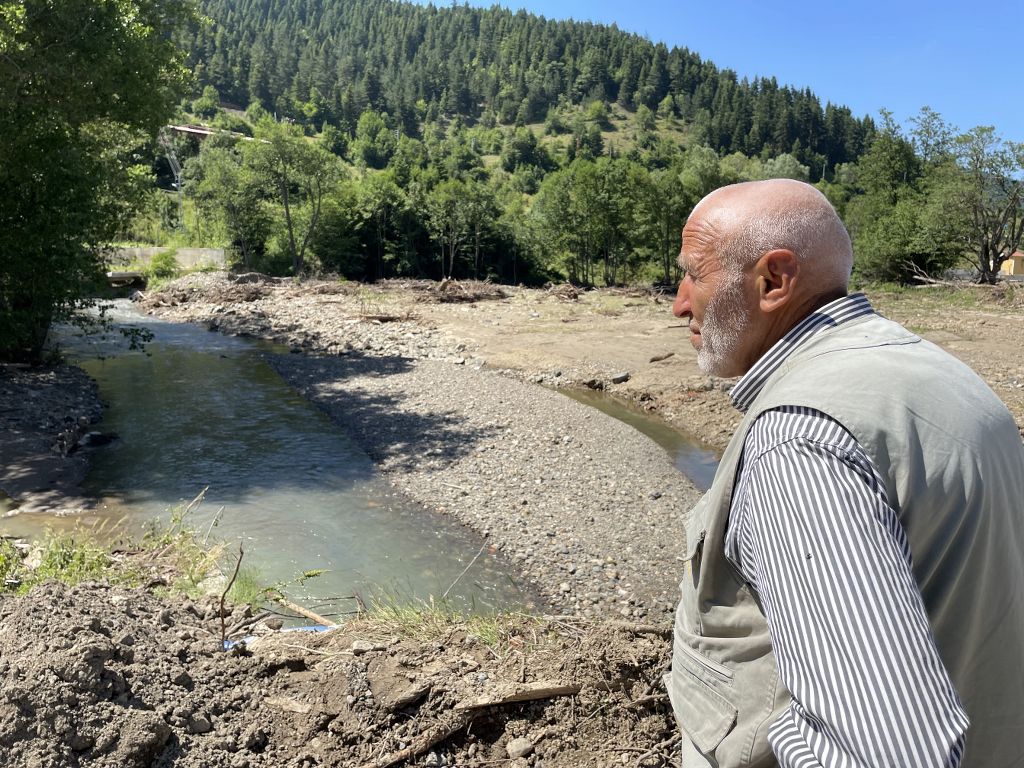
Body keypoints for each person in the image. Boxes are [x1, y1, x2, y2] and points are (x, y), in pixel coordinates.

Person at [664, 179, 1024, 768]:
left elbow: (885, 750)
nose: (680, 303)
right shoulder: (940, 373)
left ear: (774, 281)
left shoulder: (799, 443)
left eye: (694, 275)